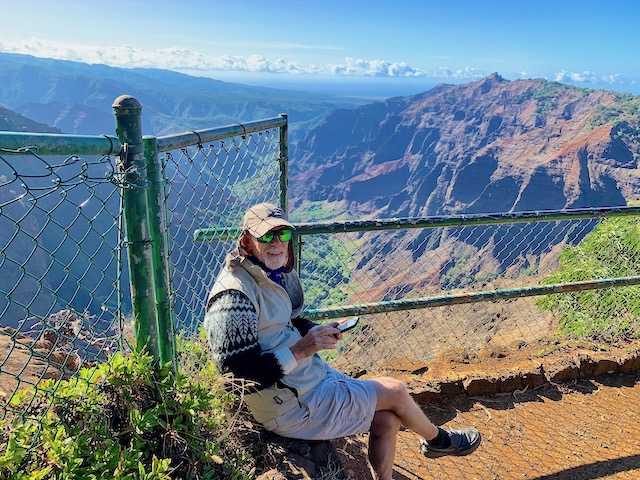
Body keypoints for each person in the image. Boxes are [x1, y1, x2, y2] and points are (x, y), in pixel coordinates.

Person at [204, 203, 481, 480]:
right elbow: (235, 376)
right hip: (291, 406)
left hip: (304, 385)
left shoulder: (266, 274)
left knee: (387, 418)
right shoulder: (233, 299)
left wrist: (317, 330)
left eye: (283, 235)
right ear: (246, 242)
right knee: (395, 391)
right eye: (266, 236)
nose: (277, 243)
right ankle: (440, 442)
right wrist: (302, 349)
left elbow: (286, 321)